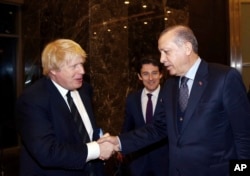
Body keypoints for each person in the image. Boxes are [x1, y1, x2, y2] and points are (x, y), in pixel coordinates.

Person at [98, 25, 250, 176]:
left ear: (187, 48)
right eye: (160, 53)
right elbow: (158, 128)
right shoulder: (170, 86)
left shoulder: (224, 78)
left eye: (166, 52)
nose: (162, 60)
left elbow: (244, 136)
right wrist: (118, 142)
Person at [16, 39, 114, 176]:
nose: (82, 71)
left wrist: (100, 139)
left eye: (82, 64)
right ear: (53, 70)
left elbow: (82, 131)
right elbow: (47, 153)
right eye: (74, 66)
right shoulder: (32, 100)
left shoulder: (84, 89)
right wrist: (97, 149)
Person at [119, 58, 169, 176]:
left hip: (164, 163)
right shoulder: (132, 99)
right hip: (138, 163)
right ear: (139, 76)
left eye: (154, 73)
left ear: (161, 74)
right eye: (145, 74)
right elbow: (127, 128)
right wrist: (121, 148)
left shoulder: (170, 98)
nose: (150, 78)